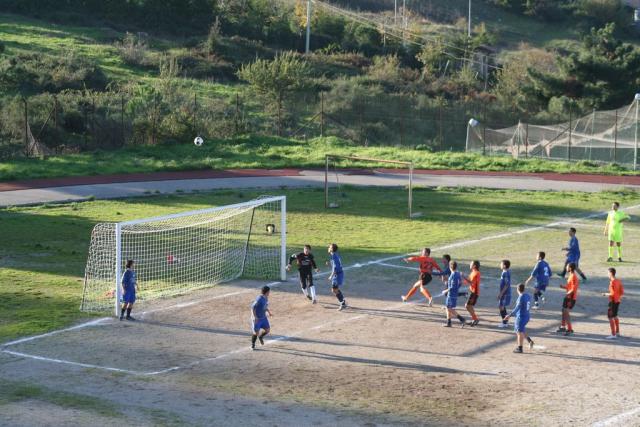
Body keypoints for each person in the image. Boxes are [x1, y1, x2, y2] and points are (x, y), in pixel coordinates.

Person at [503, 283, 535, 353]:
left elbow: (517, 308)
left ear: (517, 289)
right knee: (522, 329)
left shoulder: (521, 297)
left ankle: (520, 348)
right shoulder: (527, 295)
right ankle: (530, 341)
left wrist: (509, 315)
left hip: (521, 317)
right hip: (527, 316)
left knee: (519, 332)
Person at [557, 263, 579, 336]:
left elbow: (574, 288)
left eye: (567, 266)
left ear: (570, 268)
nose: (566, 267)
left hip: (571, 297)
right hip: (568, 296)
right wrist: (563, 287)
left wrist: (569, 293)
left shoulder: (574, 276)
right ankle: (563, 326)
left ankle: (570, 329)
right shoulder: (570, 275)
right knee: (563, 311)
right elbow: (569, 287)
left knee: (566, 312)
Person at [602, 267, 624, 339]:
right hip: (617, 301)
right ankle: (617, 332)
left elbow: (612, 294)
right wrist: (618, 297)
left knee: (610, 317)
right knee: (615, 316)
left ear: (611, 273)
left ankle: (613, 334)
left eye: (608, 273)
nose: (607, 274)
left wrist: (605, 294)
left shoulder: (612, 282)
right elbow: (622, 292)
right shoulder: (618, 281)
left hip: (613, 301)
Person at [442, 261, 467, 328]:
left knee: (449, 309)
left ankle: (462, 319)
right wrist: (457, 288)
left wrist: (445, 291)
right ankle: (449, 323)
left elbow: (452, 287)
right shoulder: (458, 274)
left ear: (450, 267)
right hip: (454, 294)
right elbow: (460, 283)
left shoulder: (453, 275)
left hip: (451, 295)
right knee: (448, 308)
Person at [251, 285, 272, 350]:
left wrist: (269, 312)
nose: (269, 293)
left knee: (267, 330)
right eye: (269, 291)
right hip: (257, 318)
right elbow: (253, 307)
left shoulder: (266, 298)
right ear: (266, 292)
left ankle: (260, 336)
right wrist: (255, 317)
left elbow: (265, 307)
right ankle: (253, 344)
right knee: (256, 332)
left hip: (263, 317)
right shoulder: (259, 299)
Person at [328, 243, 347, 311]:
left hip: (337, 275)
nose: (328, 248)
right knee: (335, 289)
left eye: (329, 247)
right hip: (338, 274)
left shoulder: (334, 256)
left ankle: (342, 303)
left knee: (334, 290)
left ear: (332, 249)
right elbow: (335, 265)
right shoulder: (335, 255)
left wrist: (331, 276)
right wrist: (329, 264)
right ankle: (343, 301)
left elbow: (335, 268)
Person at [463, 261, 481, 326]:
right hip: (472, 292)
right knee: (469, 306)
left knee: (467, 306)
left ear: (474, 266)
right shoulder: (472, 272)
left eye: (471, 264)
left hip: (474, 292)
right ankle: (475, 319)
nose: (470, 265)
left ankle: (475, 319)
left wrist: (463, 276)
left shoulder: (476, 273)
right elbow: (467, 281)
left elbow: (471, 282)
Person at [497, 260, 512, 328]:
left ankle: (504, 323)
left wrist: (501, 294)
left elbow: (506, 285)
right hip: (504, 293)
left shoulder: (505, 273)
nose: (500, 265)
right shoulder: (505, 272)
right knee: (502, 307)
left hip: (505, 293)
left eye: (501, 264)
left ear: (504, 266)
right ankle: (506, 321)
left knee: (501, 307)